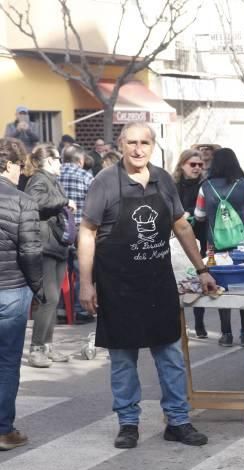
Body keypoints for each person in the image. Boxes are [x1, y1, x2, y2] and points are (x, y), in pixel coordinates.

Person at [79, 122, 216, 449]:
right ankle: (128, 423)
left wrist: (202, 269)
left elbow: (181, 225)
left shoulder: (163, 179)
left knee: (169, 354)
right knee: (123, 357)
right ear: (122, 145)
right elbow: (87, 231)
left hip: (157, 282)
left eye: (144, 143)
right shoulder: (105, 182)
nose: (138, 149)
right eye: (131, 143)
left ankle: (178, 421)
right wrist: (86, 283)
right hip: (117, 283)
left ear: (153, 146)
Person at [194, 148, 244, 347]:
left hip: (214, 247)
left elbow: (199, 215)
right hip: (243, 245)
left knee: (220, 287)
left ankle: (226, 334)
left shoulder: (205, 187)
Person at [0, 138, 43, 451]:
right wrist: (38, 287)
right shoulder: (22, 201)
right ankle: (3, 430)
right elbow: (30, 251)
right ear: (11, 164)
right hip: (11, 289)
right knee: (6, 362)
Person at [23, 144, 76, 368]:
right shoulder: (39, 179)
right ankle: (36, 349)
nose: (62, 165)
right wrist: (64, 202)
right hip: (45, 247)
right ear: (51, 160)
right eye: (59, 160)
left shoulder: (52, 180)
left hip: (58, 246)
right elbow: (33, 203)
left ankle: (47, 346)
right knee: (49, 298)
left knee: (52, 300)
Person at [172, 149, 207, 338]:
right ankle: (179, 324)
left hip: (200, 234)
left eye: (200, 165)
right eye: (192, 164)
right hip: (177, 236)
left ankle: (199, 322)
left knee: (197, 276)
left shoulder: (204, 184)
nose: (196, 168)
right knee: (179, 278)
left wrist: (193, 213)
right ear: (182, 165)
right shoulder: (173, 184)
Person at [60, 144, 95, 322]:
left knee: (59, 272)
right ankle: (82, 311)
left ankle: (60, 310)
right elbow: (96, 205)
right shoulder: (86, 176)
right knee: (82, 270)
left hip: (58, 232)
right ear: (80, 161)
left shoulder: (53, 175)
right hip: (82, 231)